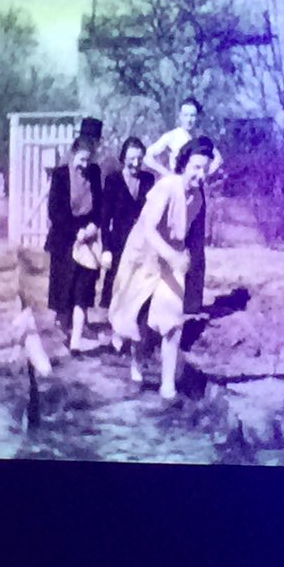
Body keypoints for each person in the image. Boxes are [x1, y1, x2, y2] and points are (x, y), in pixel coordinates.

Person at [108, 137, 213, 399]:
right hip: (143, 255)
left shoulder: (198, 199)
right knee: (137, 315)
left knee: (172, 320)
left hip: (171, 259)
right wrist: (170, 255)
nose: (200, 175)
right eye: (196, 167)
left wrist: (185, 261)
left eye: (205, 169)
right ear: (184, 165)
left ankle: (168, 385)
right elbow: (148, 229)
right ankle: (136, 361)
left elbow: (190, 237)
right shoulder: (166, 187)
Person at [144, 97, 221, 316]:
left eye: (193, 115)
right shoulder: (172, 136)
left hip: (196, 192)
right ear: (180, 116)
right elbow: (148, 156)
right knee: (174, 241)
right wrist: (167, 173)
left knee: (196, 247)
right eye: (186, 114)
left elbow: (219, 159)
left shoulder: (200, 140)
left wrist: (204, 174)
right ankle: (167, 298)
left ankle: (192, 304)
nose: (190, 119)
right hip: (176, 191)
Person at [45, 135, 103, 351]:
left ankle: (76, 342)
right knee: (64, 291)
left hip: (88, 241)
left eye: (88, 160)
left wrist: (92, 227)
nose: (85, 165)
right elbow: (54, 211)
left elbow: (100, 207)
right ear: (72, 155)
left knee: (82, 291)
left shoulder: (94, 174)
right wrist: (75, 231)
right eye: (81, 159)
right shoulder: (60, 175)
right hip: (64, 239)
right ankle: (63, 332)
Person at [100, 137, 155, 309]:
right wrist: (106, 249)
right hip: (118, 240)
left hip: (142, 240)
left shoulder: (148, 179)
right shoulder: (113, 180)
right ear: (123, 158)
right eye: (131, 159)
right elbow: (104, 218)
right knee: (114, 282)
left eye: (139, 159)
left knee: (138, 282)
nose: (136, 163)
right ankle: (107, 317)